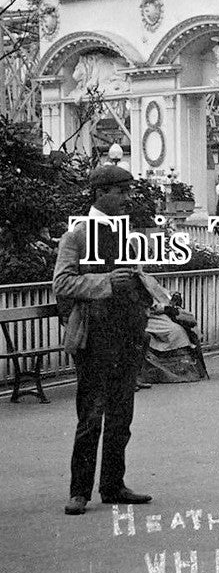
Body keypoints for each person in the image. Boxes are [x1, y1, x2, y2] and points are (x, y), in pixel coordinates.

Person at [54, 164, 154, 516]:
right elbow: (62, 284)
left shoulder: (125, 237)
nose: (127, 198)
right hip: (94, 337)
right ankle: (79, 491)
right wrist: (107, 282)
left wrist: (165, 305)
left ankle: (113, 485)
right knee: (91, 416)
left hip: (126, 335)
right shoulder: (77, 236)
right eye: (121, 192)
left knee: (121, 417)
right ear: (100, 193)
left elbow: (139, 278)